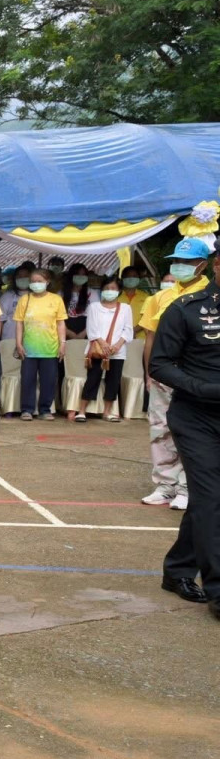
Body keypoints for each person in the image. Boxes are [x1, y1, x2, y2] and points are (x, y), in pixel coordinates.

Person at [148, 242, 220, 621]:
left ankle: (178, 569)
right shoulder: (186, 309)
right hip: (197, 418)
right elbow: (160, 364)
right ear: (216, 266)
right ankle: (218, 590)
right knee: (212, 498)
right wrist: (202, 388)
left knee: (208, 500)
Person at [140, 250, 208, 512]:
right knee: (160, 429)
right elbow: (150, 337)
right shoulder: (160, 297)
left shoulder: (209, 295)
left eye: (187, 261)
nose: (180, 266)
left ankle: (186, 487)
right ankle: (165, 485)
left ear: (202, 265)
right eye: (176, 261)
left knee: (191, 431)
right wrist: (149, 372)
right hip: (163, 374)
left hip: (194, 375)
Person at [75, 276, 133, 422]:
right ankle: (82, 411)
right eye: (106, 288)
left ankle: (107, 412)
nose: (109, 291)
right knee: (92, 378)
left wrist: (117, 345)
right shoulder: (94, 307)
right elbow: (91, 329)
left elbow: (128, 330)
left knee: (113, 381)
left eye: (113, 288)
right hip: (97, 350)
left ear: (119, 290)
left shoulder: (125, 308)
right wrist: (104, 344)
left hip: (117, 352)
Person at [13, 268, 67, 419]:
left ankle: (45, 410)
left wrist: (62, 343)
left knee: (48, 381)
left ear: (47, 282)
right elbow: (19, 323)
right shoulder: (24, 299)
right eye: (33, 281)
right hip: (28, 348)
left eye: (39, 281)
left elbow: (60, 323)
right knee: (27, 380)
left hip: (50, 347)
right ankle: (27, 410)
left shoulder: (56, 300)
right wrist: (18, 343)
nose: (36, 284)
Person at [62, 262, 92, 337]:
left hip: (86, 333)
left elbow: (96, 317)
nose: (80, 277)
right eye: (77, 274)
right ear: (71, 275)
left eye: (83, 274)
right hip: (65, 333)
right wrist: (68, 332)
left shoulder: (92, 293)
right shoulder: (61, 294)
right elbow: (57, 317)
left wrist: (84, 333)